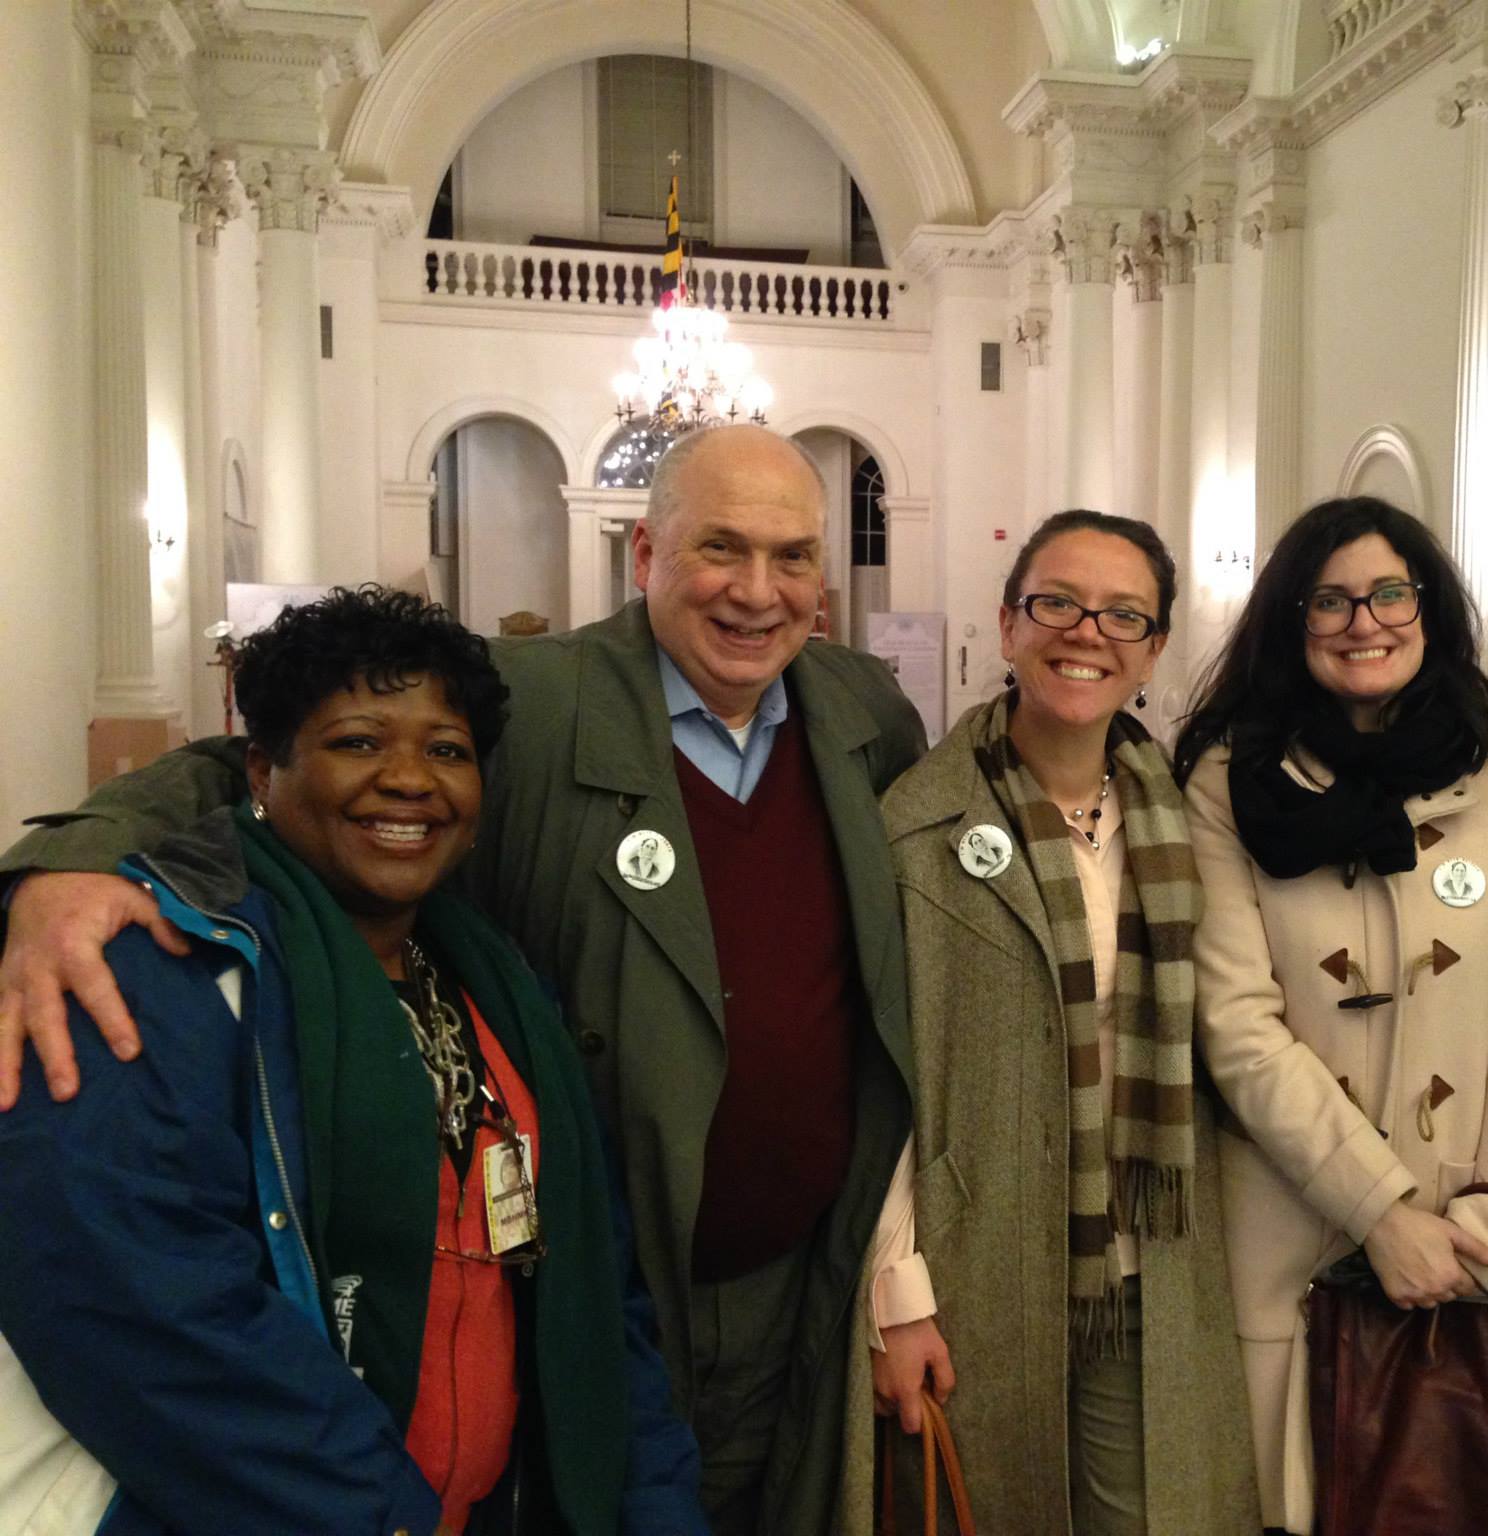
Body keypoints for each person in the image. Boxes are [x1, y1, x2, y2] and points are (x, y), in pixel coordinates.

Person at [0, 425, 927, 1536]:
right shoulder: (530, 699)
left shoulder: (864, 715)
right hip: (606, 1273)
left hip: (792, 1282)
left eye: (792, 556)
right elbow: (247, 761)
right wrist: (69, 862)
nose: (757, 591)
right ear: (644, 556)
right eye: (720, 548)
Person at [0, 586, 709, 1535]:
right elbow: (145, 1318)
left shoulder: (497, 989)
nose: (410, 779)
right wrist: (381, 1516)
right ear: (261, 768)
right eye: (358, 742)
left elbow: (600, 1294)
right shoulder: (154, 970)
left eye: (447, 751)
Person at [847, 510, 1260, 1533]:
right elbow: (881, 1075)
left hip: (1147, 1254)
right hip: (979, 1253)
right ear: (1007, 625)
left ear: (1154, 647)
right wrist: (895, 1292)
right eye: (1056, 604)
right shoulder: (915, 823)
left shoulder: (1190, 817)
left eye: (1123, 614)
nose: (1087, 632)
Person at [1172, 496, 1488, 1535]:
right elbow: (1237, 1024)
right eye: (1330, 600)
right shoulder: (1223, 784)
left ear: (1427, 608)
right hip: (1285, 1232)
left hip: (1467, 1245)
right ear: (1289, 621)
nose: (1364, 621)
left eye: (1388, 592)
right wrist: (1379, 1213)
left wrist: (1481, 1234)